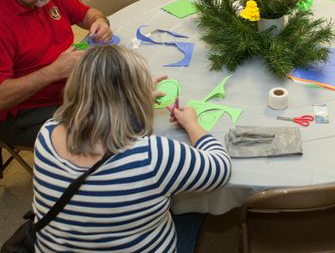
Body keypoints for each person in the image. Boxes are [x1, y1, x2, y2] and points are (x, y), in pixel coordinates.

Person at [33, 45, 232, 251]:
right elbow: (220, 168)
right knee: (193, 206)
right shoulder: (151, 156)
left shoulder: (46, 133)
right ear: (133, 96)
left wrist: (134, 96)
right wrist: (192, 124)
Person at [0, 0, 113, 148]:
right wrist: (53, 72)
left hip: (69, 88)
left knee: (124, 92)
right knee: (104, 130)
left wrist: (99, 21)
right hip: (25, 112)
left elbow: (87, 13)